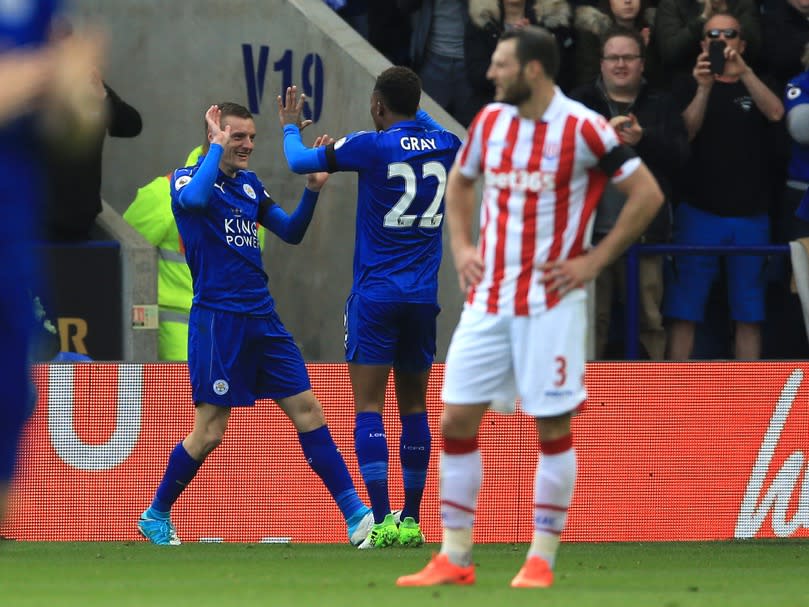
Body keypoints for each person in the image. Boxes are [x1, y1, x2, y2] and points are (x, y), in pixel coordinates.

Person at [396, 25, 662, 587]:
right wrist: (462, 246)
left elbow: (647, 196)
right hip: (489, 298)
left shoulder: (583, 128)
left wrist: (593, 262)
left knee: (551, 426)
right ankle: (455, 555)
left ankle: (541, 556)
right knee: (455, 420)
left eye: (501, 65)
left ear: (533, 70)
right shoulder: (490, 123)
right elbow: (461, 182)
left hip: (553, 302)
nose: (490, 73)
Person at [136, 103, 372, 546]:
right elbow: (196, 201)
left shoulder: (249, 186)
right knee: (209, 432)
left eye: (251, 138)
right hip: (218, 321)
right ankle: (156, 513)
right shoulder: (187, 179)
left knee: (309, 410)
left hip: (263, 317)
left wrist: (313, 190)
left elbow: (291, 231)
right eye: (238, 136)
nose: (247, 146)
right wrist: (213, 151)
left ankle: (356, 517)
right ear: (217, 135)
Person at [279, 66, 462, 549]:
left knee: (368, 407)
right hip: (423, 297)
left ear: (379, 106)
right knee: (416, 407)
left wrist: (290, 125)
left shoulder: (371, 145)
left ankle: (380, 519)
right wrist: (407, 102)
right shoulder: (447, 143)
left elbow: (298, 161)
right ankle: (413, 520)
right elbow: (418, 121)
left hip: (376, 295)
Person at [0, 2, 106, 524]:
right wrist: (49, 69)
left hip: (14, 225)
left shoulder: (42, 10)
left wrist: (79, 100)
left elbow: (72, 134)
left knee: (12, 385)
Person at [664, 13, 784, 360]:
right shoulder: (686, 84)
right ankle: (674, 396)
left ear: (742, 43)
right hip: (699, 212)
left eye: (729, 33)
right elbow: (684, 134)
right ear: (702, 44)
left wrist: (744, 72)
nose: (721, 39)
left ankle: (749, 402)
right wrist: (704, 87)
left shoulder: (760, 80)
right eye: (712, 34)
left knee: (749, 315)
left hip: (750, 216)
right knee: (684, 311)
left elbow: (776, 113)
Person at [571, 26, 689, 359]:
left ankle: (653, 402)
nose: (620, 64)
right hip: (590, 236)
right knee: (591, 324)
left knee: (651, 323)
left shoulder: (662, 102)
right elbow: (559, 159)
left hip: (645, 236)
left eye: (628, 57)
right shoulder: (579, 102)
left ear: (642, 62)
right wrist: (601, 141)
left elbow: (682, 158)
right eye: (613, 57)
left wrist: (643, 140)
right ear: (601, 62)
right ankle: (586, 406)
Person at [123, 145, 266, 361]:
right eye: (238, 139)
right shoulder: (164, 191)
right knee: (189, 392)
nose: (248, 146)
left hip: (231, 322)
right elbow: (125, 255)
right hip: (180, 326)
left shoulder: (249, 199)